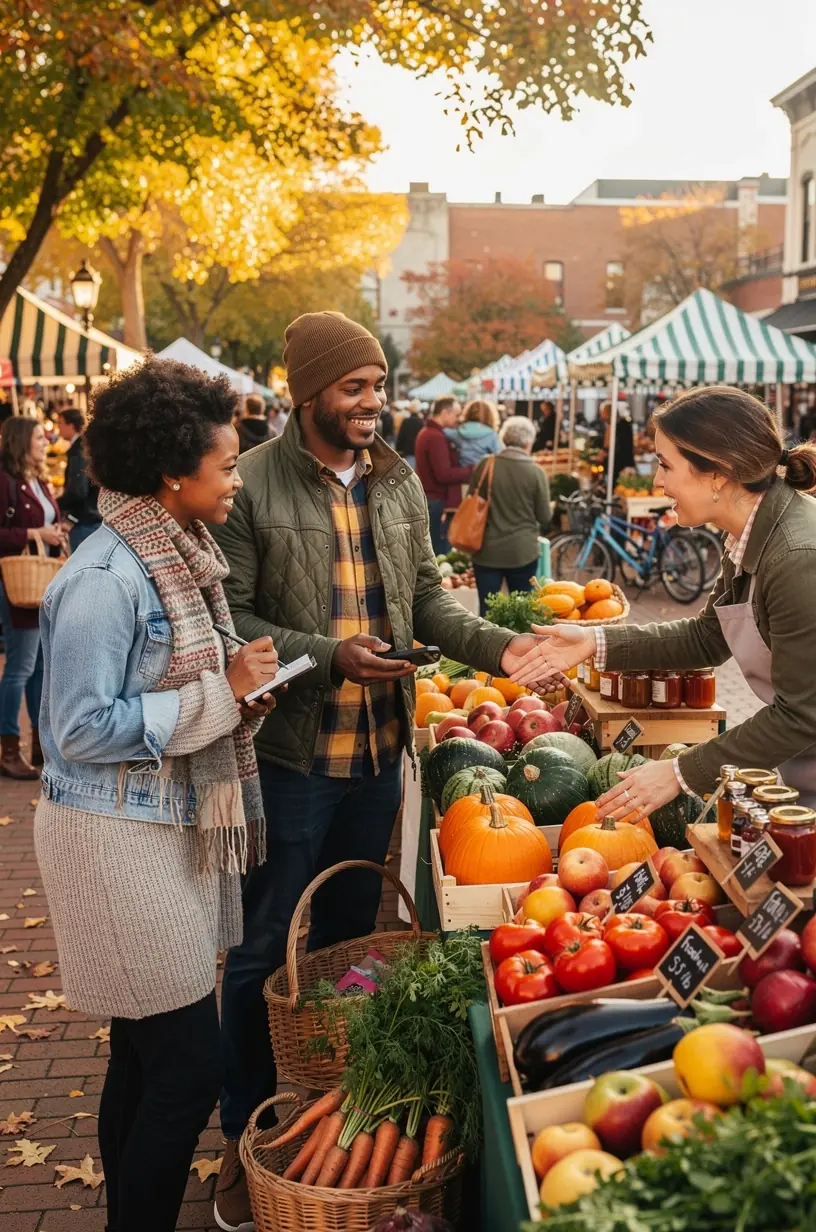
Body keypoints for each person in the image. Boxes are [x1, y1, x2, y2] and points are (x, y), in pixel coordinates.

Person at [210, 310, 557, 1230]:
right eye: (355, 388)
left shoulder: (398, 481)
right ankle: (244, 1135)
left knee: (349, 942)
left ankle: (336, 1118)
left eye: (379, 386)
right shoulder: (250, 484)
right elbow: (229, 619)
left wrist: (503, 647)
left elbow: (432, 599)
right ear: (308, 393)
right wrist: (330, 656)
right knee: (261, 947)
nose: (374, 403)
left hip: (377, 756)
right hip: (293, 757)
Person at [33, 358, 279, 1232]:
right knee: (186, 1069)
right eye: (226, 464)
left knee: (142, 1062)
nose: (238, 479)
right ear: (174, 473)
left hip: (154, 825)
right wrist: (222, 694)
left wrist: (235, 685)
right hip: (110, 840)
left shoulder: (173, 553)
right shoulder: (107, 579)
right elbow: (78, 727)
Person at [510, 385, 816, 819]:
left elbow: (803, 713)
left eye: (665, 465)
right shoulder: (747, 533)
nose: (657, 481)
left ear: (718, 473)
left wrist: (681, 772)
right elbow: (706, 637)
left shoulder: (797, 556)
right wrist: (594, 641)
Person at [0, 417, 65, 779]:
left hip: (43, 580)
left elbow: (46, 519)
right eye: (40, 436)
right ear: (23, 441)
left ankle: (42, 743)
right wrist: (35, 531)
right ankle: (8, 747)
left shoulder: (38, 478)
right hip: (17, 583)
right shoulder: (6, 480)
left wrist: (55, 530)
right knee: (20, 667)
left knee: (41, 667)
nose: (46, 440)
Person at [469, 416, 551, 616]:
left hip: (486, 550)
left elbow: (471, 501)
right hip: (522, 553)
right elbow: (544, 516)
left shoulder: (485, 465)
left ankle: (487, 647)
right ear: (528, 442)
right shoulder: (536, 472)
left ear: (504, 438)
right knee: (521, 612)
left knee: (488, 612)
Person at [415, 395, 472, 554]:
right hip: (436, 500)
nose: (458, 419)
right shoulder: (435, 436)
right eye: (456, 414)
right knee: (438, 549)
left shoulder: (428, 432)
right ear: (445, 412)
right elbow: (444, 474)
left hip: (430, 498)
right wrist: (471, 470)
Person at [56, 408, 102, 550]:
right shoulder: (82, 446)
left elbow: (78, 491)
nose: (58, 428)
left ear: (71, 425)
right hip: (89, 519)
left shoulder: (78, 450)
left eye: (60, 423)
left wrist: (55, 504)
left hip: (85, 522)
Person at [446, 398, 502, 466]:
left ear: (467, 413)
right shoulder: (491, 435)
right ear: (490, 416)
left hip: (461, 474)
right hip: (483, 474)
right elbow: (501, 456)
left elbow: (442, 430)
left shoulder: (457, 433)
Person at [600, 398, 635, 484]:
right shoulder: (612, 425)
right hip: (615, 463)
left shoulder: (622, 426)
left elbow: (614, 445)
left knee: (620, 484)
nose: (602, 416)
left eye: (604, 413)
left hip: (621, 463)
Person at [394, 399, 424, 469]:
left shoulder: (406, 421)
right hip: (418, 451)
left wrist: (398, 448)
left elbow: (401, 436)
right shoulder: (421, 422)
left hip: (407, 451)